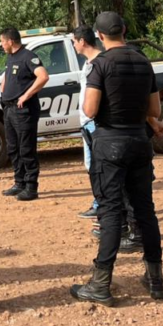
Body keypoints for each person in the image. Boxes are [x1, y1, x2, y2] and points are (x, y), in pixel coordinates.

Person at [71, 12, 163, 305]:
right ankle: (155, 279)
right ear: (124, 30)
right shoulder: (143, 61)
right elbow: (155, 110)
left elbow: (89, 110)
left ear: (99, 36)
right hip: (139, 142)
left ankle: (101, 284)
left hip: (109, 145)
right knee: (145, 211)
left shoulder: (100, 64)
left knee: (111, 212)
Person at [0, 27, 49, 202]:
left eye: (2, 41)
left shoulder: (28, 56)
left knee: (26, 149)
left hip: (24, 110)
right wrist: (3, 89)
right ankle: (19, 182)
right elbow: (7, 76)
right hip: (9, 109)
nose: (1, 45)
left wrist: (26, 95)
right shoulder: (11, 57)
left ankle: (31, 187)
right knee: (13, 148)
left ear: (10, 41)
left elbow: (43, 76)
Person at [72, 26, 101, 220]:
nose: (74, 45)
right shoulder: (88, 63)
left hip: (94, 122)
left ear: (82, 41)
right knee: (91, 165)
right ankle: (100, 202)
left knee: (97, 167)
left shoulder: (98, 63)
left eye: (74, 41)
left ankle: (101, 204)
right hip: (87, 123)